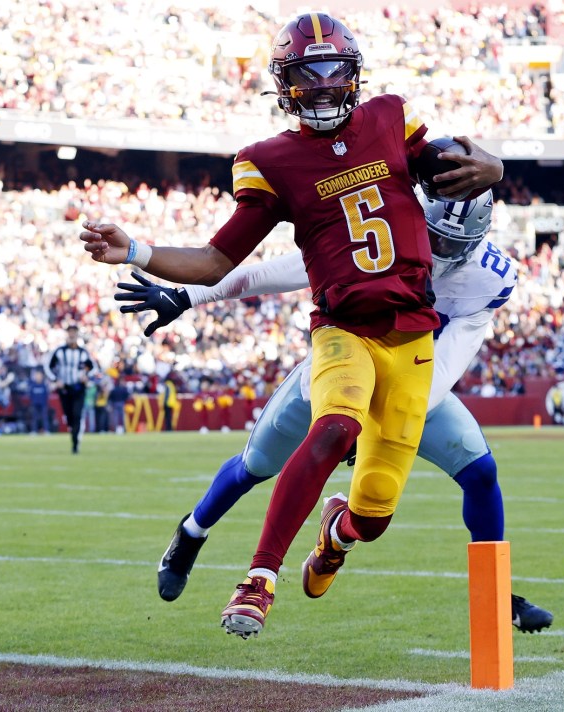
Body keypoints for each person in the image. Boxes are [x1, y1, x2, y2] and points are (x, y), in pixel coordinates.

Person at [81, 11, 503, 638]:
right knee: (328, 429)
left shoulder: (390, 118)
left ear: (355, 74)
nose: (326, 84)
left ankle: (337, 534)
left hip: (414, 337)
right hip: (343, 331)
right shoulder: (271, 160)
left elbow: (463, 164)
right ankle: (257, 577)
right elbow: (222, 260)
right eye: (310, 73)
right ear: (286, 82)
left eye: (336, 70)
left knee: (377, 509)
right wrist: (139, 250)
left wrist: (493, 167)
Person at [121, 189, 552, 634]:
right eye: (434, 237)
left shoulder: (487, 276)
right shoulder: (379, 237)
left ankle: (492, 590)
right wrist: (189, 296)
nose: (441, 252)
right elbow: (278, 272)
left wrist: (375, 421)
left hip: (415, 381)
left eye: (454, 244)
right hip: (339, 370)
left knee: (475, 474)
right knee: (256, 465)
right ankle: (192, 533)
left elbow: (444, 369)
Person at [45, 325, 94, 454]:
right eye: (70, 333)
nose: (72, 335)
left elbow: (93, 368)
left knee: (77, 414)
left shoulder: (83, 352)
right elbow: (48, 367)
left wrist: (86, 375)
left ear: (77, 335)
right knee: (69, 415)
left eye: (74, 333)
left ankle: (75, 443)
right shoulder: (60, 351)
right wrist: (56, 380)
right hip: (64, 388)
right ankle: (74, 433)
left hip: (78, 388)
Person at [27, 368, 51, 434]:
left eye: (39, 376)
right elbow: (30, 395)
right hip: (34, 404)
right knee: (34, 418)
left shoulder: (44, 385)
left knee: (44, 418)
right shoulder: (33, 385)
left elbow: (47, 395)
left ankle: (46, 430)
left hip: (43, 404)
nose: (38, 377)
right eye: (37, 376)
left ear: (42, 376)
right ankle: (34, 431)